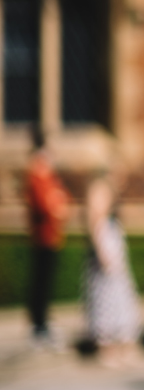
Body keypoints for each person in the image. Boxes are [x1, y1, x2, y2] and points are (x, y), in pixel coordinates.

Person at [82, 168, 141, 367]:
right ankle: (108, 349)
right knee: (105, 306)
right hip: (105, 270)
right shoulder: (99, 225)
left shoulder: (111, 223)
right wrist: (104, 255)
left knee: (121, 304)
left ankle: (124, 345)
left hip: (116, 270)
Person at [25, 128, 69, 348]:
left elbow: (62, 198)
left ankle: (43, 321)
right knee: (40, 282)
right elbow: (46, 204)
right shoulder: (37, 174)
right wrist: (55, 203)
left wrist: (58, 201)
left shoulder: (48, 175)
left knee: (46, 281)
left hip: (52, 236)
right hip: (42, 237)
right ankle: (38, 324)